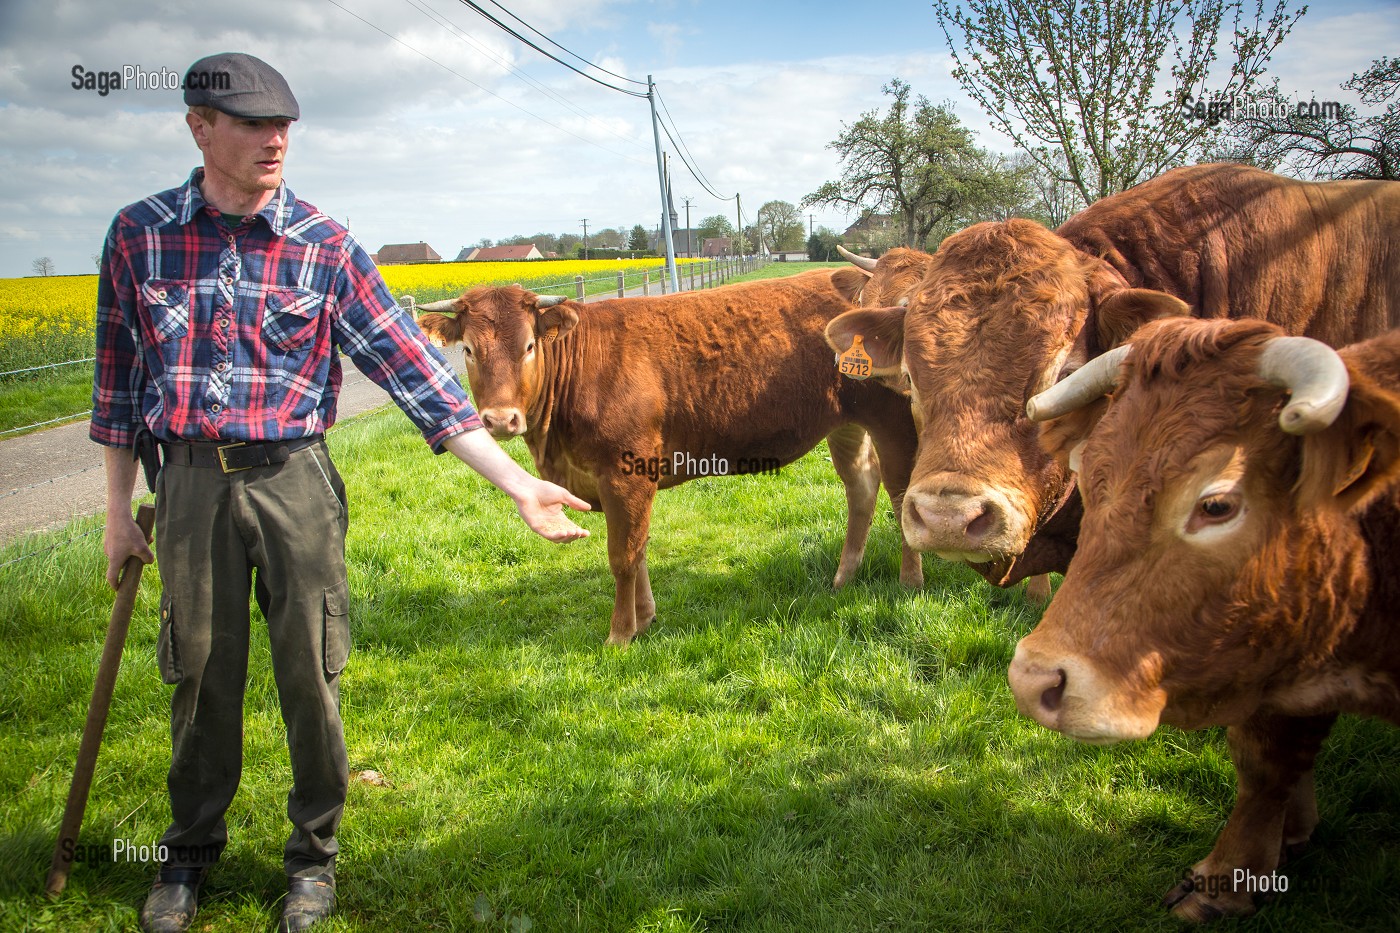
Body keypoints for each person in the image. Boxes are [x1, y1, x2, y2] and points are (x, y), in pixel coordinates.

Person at [91, 52, 590, 933]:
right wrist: (115, 515)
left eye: (284, 124)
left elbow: (415, 374)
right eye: (252, 123)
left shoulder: (324, 245)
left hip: (295, 481)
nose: (274, 139)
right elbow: (118, 385)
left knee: (310, 669)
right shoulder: (138, 235)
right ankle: (187, 855)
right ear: (199, 127)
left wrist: (518, 482)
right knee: (197, 669)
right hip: (189, 485)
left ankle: (312, 859)